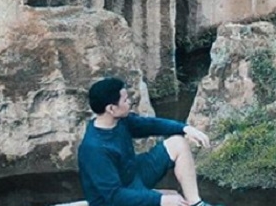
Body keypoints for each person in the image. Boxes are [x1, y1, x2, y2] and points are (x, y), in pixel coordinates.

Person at [78, 77, 215, 206]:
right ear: (111, 109)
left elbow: (149, 125)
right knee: (172, 198)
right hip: (114, 200)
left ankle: (196, 203)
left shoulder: (120, 121)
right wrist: (160, 199)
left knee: (178, 143)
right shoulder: (94, 149)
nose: (130, 102)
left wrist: (185, 128)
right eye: (125, 100)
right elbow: (114, 196)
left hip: (133, 174)